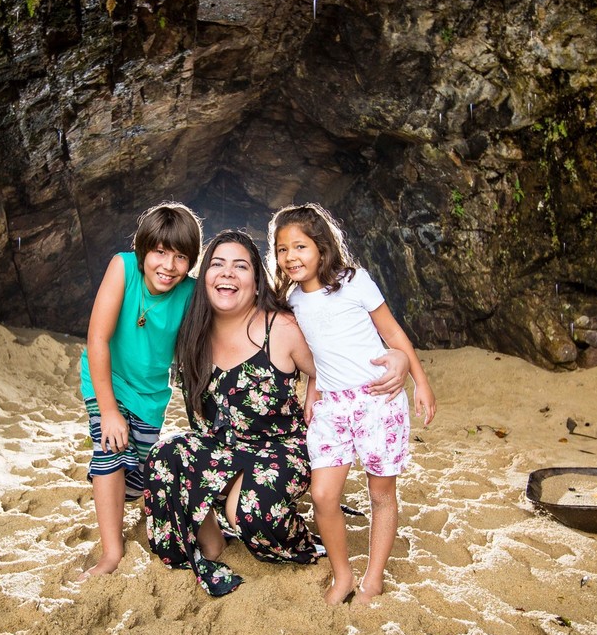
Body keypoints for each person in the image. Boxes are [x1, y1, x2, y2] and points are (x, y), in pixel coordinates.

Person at [144, 230, 408, 596]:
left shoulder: (281, 327)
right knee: (165, 455)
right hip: (225, 445)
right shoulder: (194, 331)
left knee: (249, 513)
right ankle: (213, 542)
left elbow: (336, 365)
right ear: (204, 276)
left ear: (256, 282)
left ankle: (295, 535)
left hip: (284, 448)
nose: (227, 273)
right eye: (217, 264)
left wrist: (397, 356)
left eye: (240, 266)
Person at [268, 203, 436, 605]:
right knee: (323, 495)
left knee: (380, 493)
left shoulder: (353, 281)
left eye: (300, 247)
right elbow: (313, 352)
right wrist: (312, 386)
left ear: (322, 248)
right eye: (281, 249)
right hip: (331, 408)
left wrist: (421, 383)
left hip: (378, 399)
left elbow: (393, 334)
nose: (291, 257)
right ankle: (343, 576)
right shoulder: (291, 301)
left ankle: (373, 579)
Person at [78, 202, 203, 580]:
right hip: (107, 380)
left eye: (180, 257)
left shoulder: (192, 293)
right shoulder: (123, 267)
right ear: (143, 250)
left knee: (134, 480)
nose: (168, 265)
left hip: (151, 396)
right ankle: (111, 553)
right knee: (109, 448)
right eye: (160, 252)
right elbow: (97, 339)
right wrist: (109, 409)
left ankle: (123, 500)